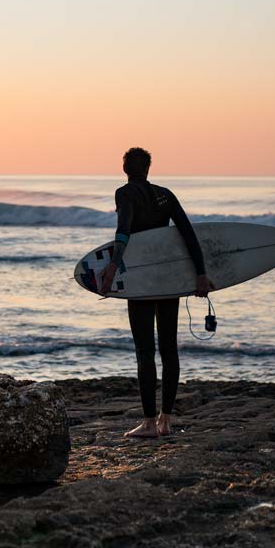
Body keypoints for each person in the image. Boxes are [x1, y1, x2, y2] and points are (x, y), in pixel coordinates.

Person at [100, 147, 213, 438]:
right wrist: (200, 274)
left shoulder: (125, 194)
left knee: (144, 351)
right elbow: (188, 234)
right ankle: (167, 420)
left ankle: (149, 423)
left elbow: (123, 231)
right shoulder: (165, 194)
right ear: (148, 168)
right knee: (169, 348)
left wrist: (113, 265)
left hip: (140, 279)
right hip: (167, 280)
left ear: (124, 168)